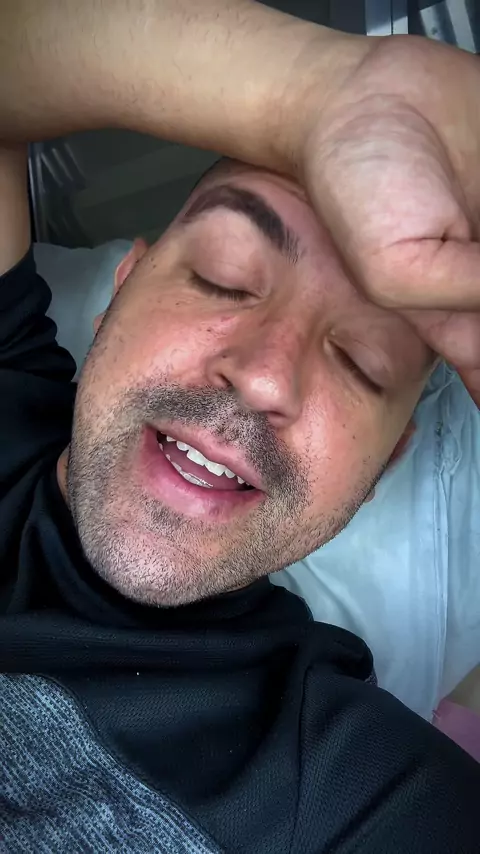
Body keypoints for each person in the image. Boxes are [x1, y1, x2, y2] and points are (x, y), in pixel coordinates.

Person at [1, 2, 479, 853]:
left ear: (384, 466)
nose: (263, 376)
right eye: (224, 278)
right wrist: (324, 92)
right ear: (122, 290)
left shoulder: (359, 795)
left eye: (361, 362)